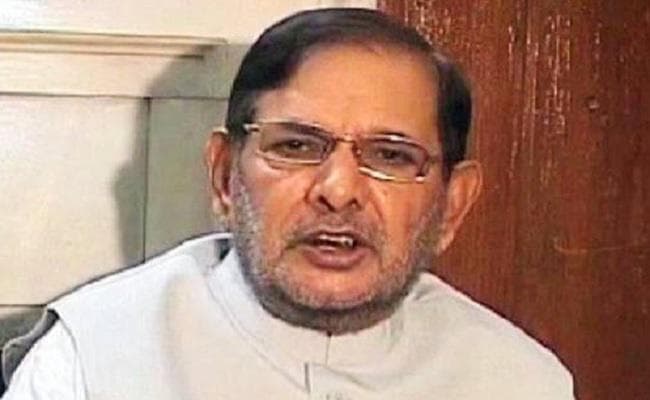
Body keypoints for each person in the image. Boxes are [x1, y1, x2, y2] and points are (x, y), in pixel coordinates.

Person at [1, 8, 574, 400]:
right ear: (225, 178)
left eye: (391, 156)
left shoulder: (520, 383)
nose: (338, 190)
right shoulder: (89, 364)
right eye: (296, 146)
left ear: (452, 205)